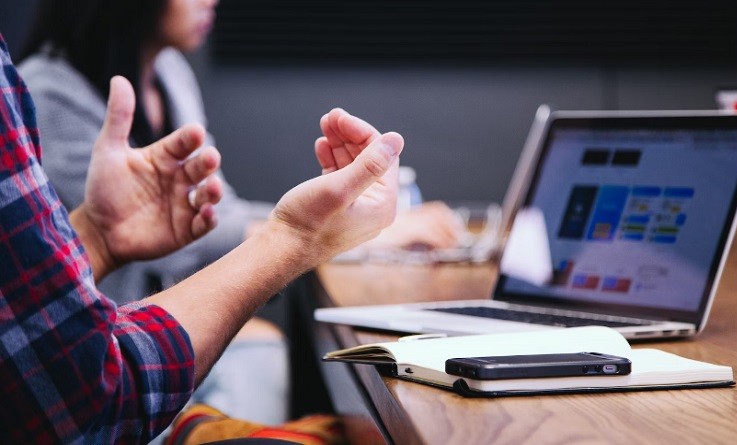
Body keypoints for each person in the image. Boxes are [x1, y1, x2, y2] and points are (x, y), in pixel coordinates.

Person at [0, 29, 405, 443]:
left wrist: (97, 237)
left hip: (124, 371)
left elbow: (23, 301)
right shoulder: (47, 91)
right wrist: (296, 237)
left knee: (263, 351)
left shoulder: (169, 71)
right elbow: (87, 400)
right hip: (115, 399)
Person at [17, 0, 465, 303]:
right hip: (108, 337)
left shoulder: (169, 72)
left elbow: (214, 212)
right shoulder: (46, 96)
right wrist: (344, 233)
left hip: (164, 316)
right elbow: (181, 242)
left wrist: (336, 226)